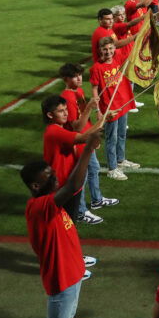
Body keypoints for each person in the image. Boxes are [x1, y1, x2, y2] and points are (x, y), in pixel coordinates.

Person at [20, 126, 102, 318]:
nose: (54, 176)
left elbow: (72, 184)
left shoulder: (50, 202)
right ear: (36, 185)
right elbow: (74, 185)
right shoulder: (39, 208)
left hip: (73, 276)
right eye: (48, 176)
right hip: (62, 281)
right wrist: (87, 149)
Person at [59, 63, 119, 224]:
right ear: (65, 79)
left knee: (94, 168)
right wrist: (90, 108)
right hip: (77, 142)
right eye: (74, 76)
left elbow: (85, 121)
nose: (79, 79)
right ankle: (80, 211)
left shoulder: (78, 91)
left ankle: (97, 199)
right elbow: (76, 126)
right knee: (82, 178)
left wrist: (94, 134)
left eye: (80, 75)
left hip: (86, 138)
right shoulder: (67, 98)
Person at [41, 94, 105, 224]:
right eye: (61, 111)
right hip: (62, 187)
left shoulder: (59, 128)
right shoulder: (55, 131)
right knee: (66, 224)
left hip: (68, 185)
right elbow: (84, 138)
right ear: (50, 115)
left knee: (69, 223)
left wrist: (103, 120)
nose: (66, 113)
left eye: (65, 109)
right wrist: (103, 120)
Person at [90, 36, 138, 180]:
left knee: (122, 134)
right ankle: (112, 169)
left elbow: (133, 51)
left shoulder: (118, 58)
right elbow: (94, 90)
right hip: (110, 108)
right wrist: (98, 111)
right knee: (112, 138)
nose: (108, 52)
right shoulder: (96, 68)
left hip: (122, 103)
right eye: (105, 49)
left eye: (111, 48)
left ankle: (120, 160)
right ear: (100, 50)